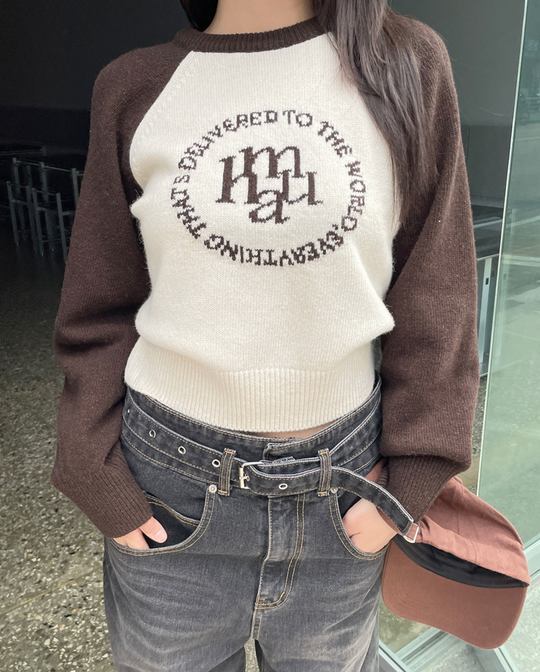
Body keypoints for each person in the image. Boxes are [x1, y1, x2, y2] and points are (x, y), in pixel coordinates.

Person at [51, 0, 480, 669]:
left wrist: (415, 474)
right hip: (168, 493)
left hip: (345, 490)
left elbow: (439, 286)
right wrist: (89, 459)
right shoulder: (134, 86)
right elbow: (98, 301)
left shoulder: (404, 64)